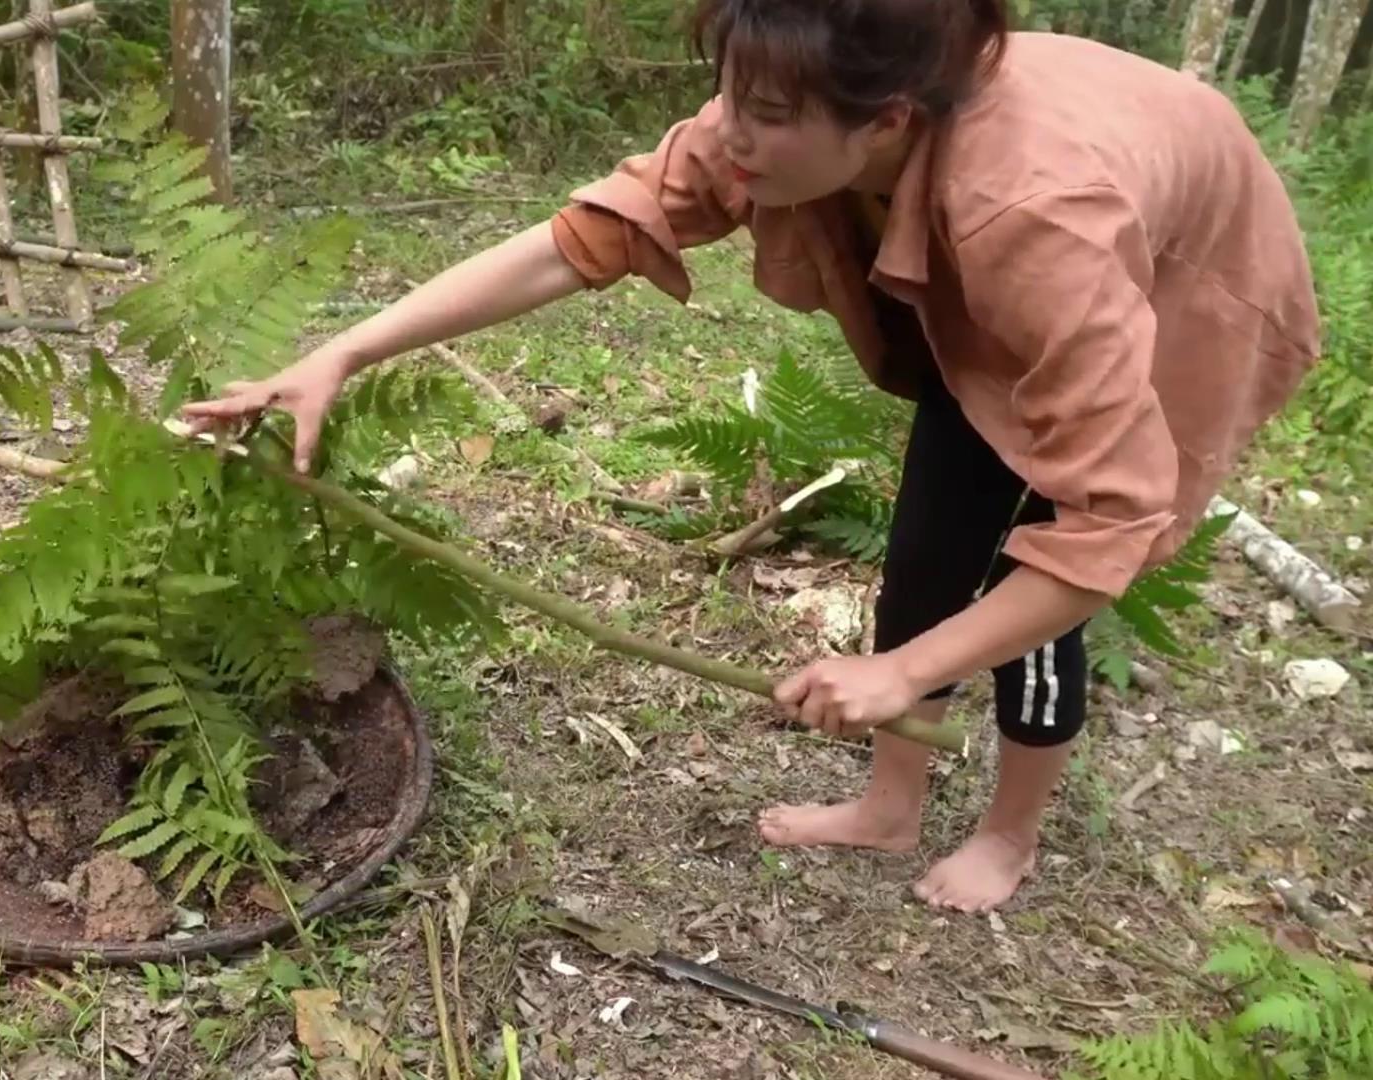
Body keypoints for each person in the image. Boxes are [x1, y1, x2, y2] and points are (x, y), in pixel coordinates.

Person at [182, 0, 1320, 911]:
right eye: (730, 91)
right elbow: (575, 244)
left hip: (1178, 265)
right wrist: (344, 352)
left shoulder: (1036, 220)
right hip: (1013, 236)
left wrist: (902, 674)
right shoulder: (776, 124)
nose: (728, 132)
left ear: (886, 120)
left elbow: (1107, 526)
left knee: (1036, 564)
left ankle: (1009, 834)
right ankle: (891, 806)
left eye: (766, 114)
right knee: (931, 544)